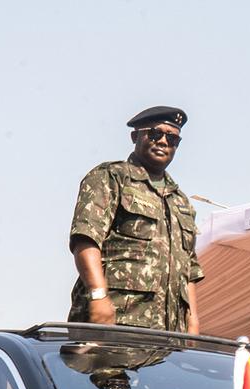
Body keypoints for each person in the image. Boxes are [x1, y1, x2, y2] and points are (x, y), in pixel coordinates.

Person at [68, 106, 201, 333]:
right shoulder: (112, 177)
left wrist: (193, 321)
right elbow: (86, 239)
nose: (163, 142)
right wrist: (98, 295)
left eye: (172, 138)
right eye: (155, 133)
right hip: (116, 322)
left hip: (169, 334)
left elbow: (189, 270)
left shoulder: (181, 202)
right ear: (135, 137)